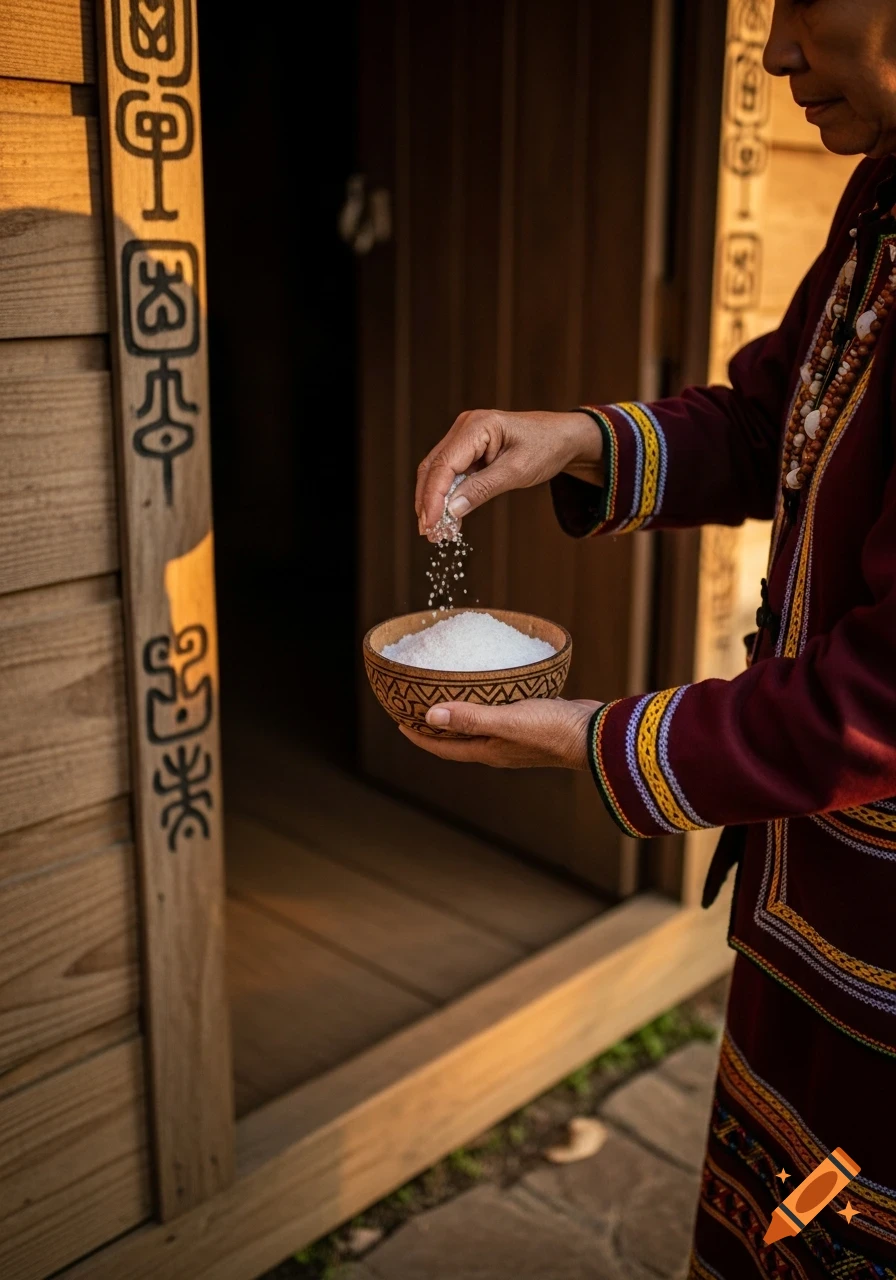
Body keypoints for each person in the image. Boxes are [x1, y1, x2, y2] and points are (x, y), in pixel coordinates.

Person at [408, 3, 896, 1276]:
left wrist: (597, 740)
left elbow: (885, 692)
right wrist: (568, 436)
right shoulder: (881, 205)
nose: (777, 52)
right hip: (820, 882)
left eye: (809, 7)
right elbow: (767, 420)